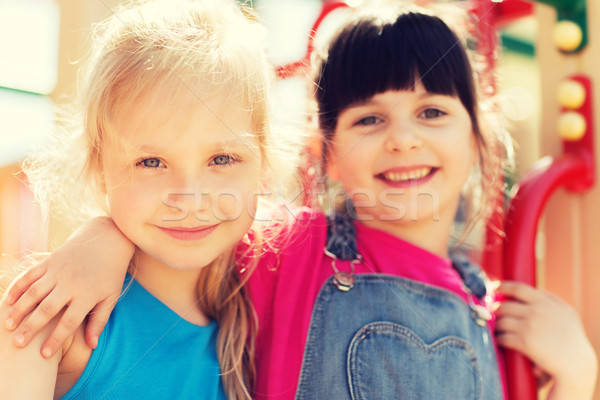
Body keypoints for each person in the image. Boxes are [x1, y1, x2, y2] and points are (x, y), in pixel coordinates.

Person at [2, 4, 597, 400]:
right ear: (327, 152)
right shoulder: (296, 248)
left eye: (433, 112)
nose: (404, 138)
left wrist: (577, 374)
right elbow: (191, 209)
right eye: (369, 118)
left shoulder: (495, 313)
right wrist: (100, 238)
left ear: (477, 133)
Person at [0, 0, 301, 398]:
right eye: (152, 161)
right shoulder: (56, 320)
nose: (190, 198)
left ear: (264, 165)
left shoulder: (261, 311)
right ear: (99, 167)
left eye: (222, 158)